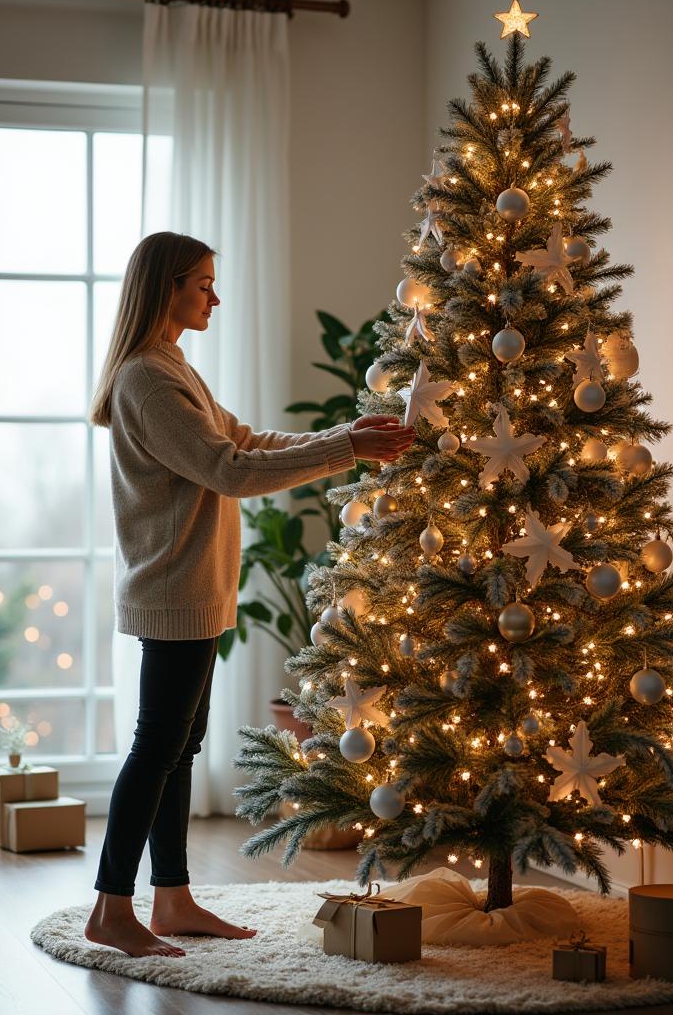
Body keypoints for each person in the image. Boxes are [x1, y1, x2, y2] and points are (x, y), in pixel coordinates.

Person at [84, 231, 415, 958]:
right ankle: (112, 909)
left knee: (178, 746)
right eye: (203, 283)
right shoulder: (147, 378)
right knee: (157, 748)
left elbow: (244, 440)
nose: (215, 296)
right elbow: (227, 470)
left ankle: (169, 899)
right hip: (174, 589)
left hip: (193, 590)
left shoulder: (172, 367)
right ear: (168, 288)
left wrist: (345, 435)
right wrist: (344, 452)